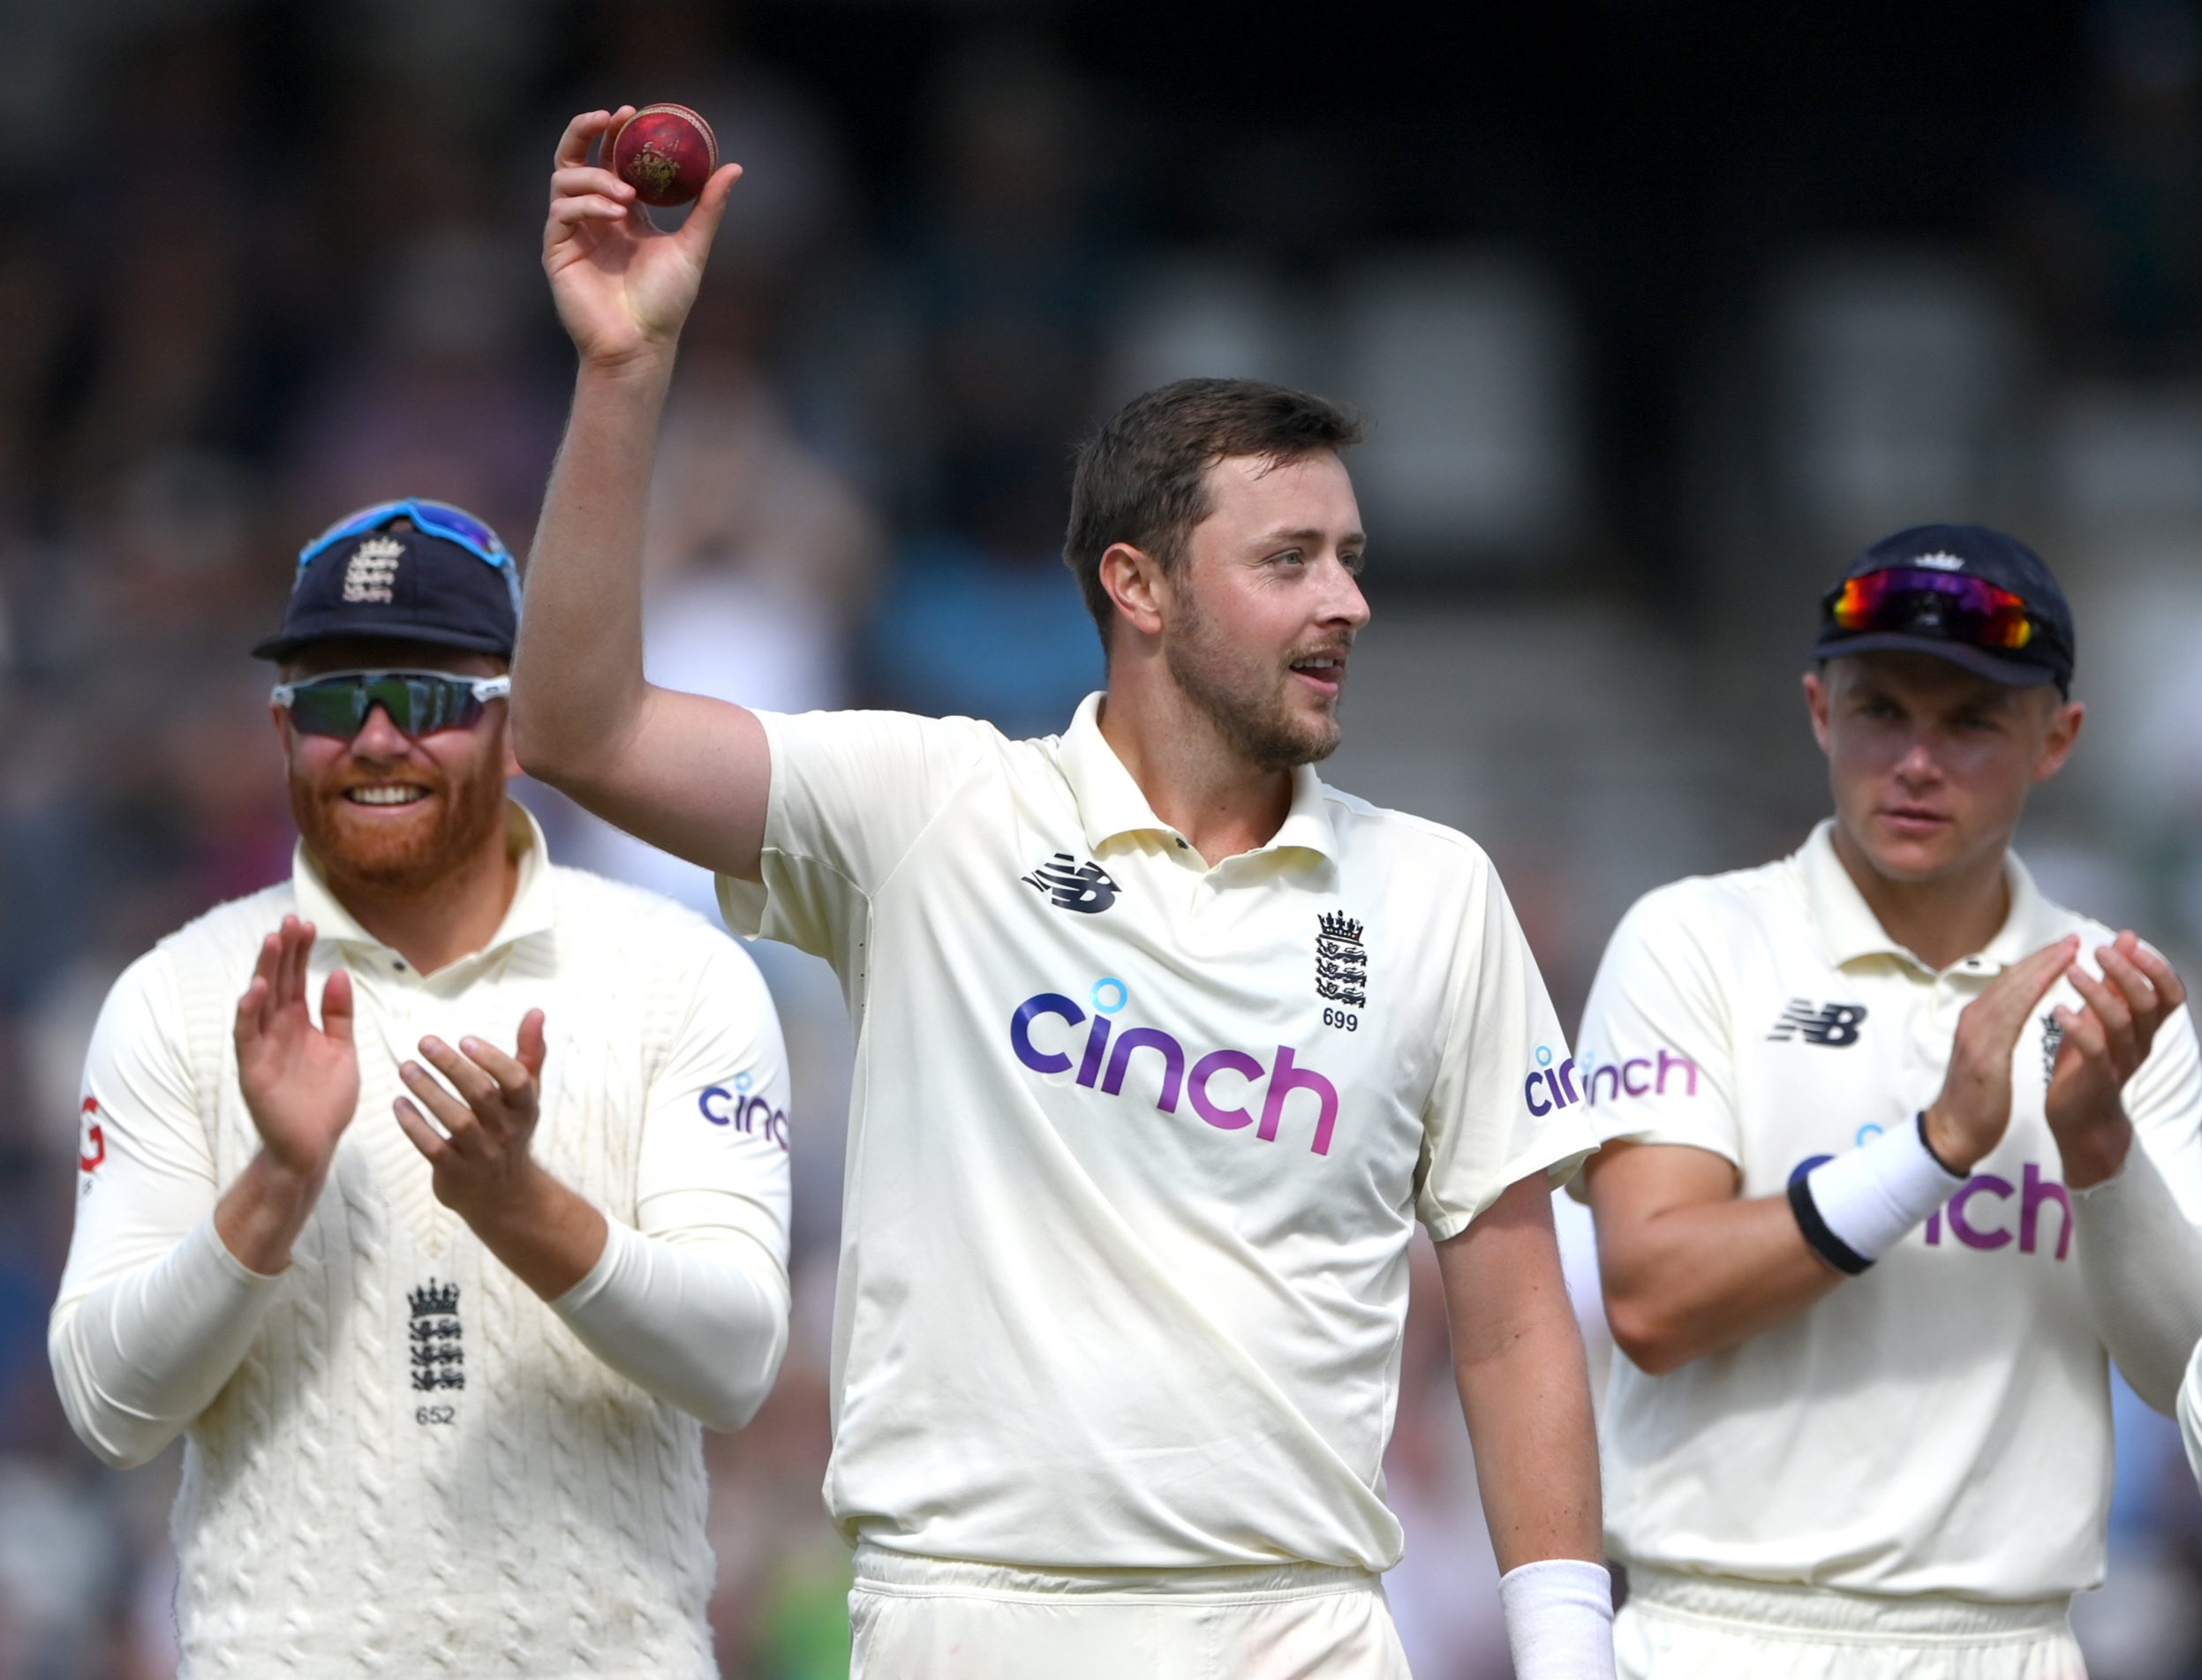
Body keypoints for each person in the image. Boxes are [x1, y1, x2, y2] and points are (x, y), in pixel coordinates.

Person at [511, 109, 1617, 1679]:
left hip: (1302, 1628)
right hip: (975, 1619)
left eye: (1351, 558)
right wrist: (624, 374)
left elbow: (1509, 1319)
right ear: (1138, 587)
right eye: (1289, 559)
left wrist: (1567, 1657)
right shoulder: (929, 813)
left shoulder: (1437, 893)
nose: (1347, 602)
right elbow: (579, 728)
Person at [48, 498, 795, 1677]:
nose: (379, 739)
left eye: (433, 698)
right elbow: (110, 1409)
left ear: (520, 723)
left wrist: (518, 1208)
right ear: (284, 728)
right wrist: (277, 1184)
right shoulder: (176, 993)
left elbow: (736, 1361)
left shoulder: (678, 973)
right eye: (336, 701)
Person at [1576, 524, 2202, 1678]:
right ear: (1821, 713)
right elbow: (1649, 1297)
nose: (1916, 761)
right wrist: (1934, 1151)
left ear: (2056, 739)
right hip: (1719, 1639)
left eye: (1970, 721)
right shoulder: (1694, 941)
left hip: (2009, 1645)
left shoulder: (2119, 998)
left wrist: (2099, 1155)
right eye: (1881, 709)